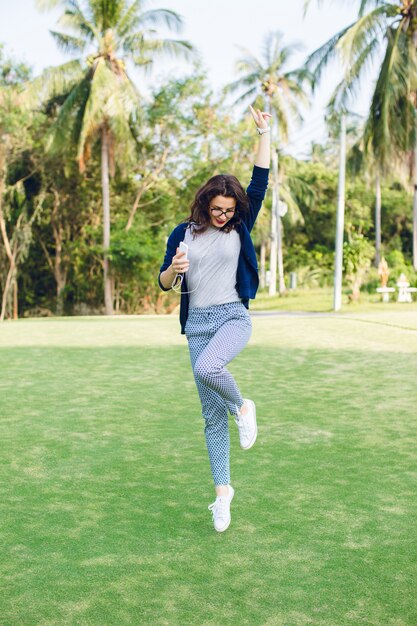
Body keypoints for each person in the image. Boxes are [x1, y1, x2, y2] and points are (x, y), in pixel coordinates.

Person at [158, 105, 271, 532]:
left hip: (232, 317)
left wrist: (264, 133)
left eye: (229, 210)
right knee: (210, 417)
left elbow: (259, 182)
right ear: (205, 203)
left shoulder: (239, 225)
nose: (223, 216)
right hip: (197, 325)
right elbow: (164, 281)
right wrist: (175, 270)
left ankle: (243, 406)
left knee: (210, 368)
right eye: (217, 209)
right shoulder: (182, 233)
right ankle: (223, 495)